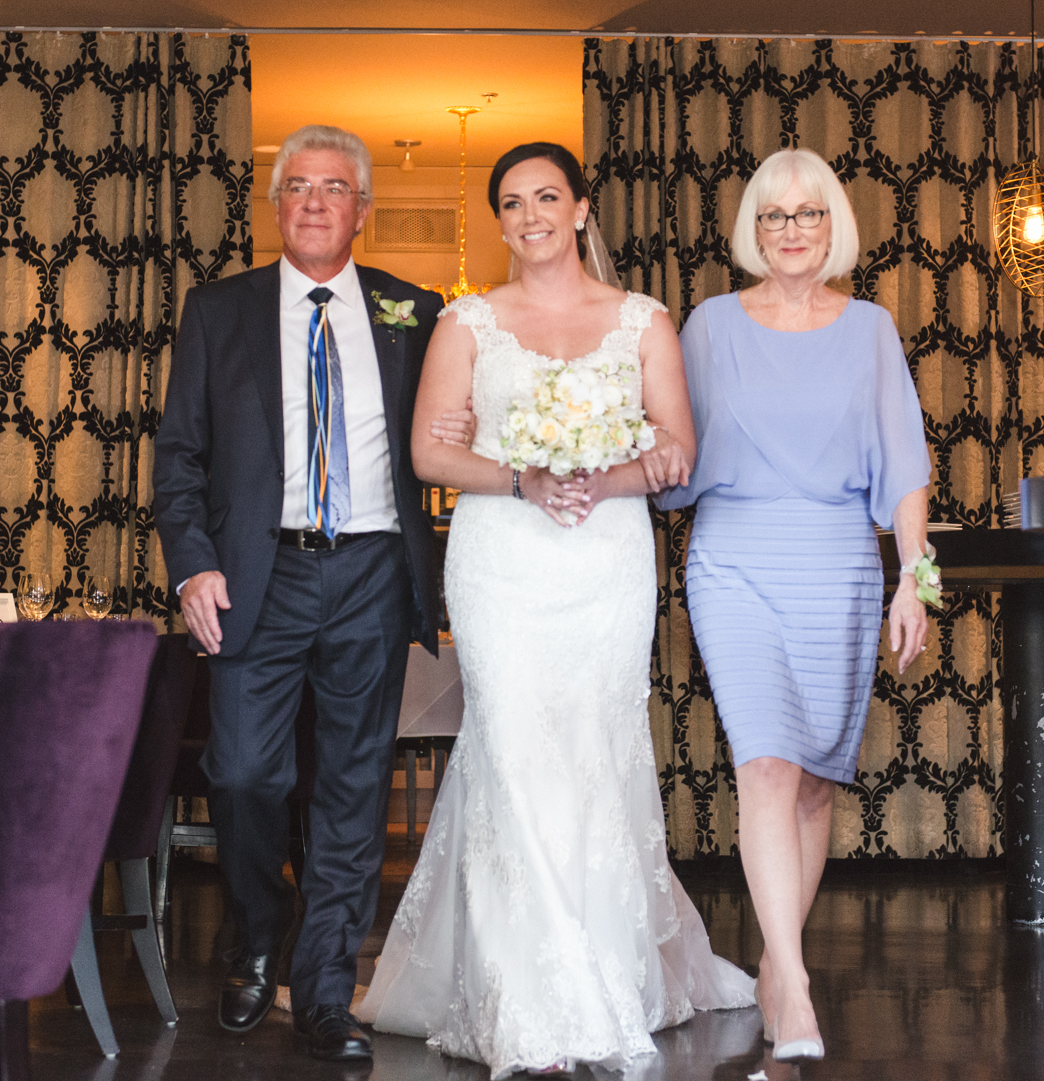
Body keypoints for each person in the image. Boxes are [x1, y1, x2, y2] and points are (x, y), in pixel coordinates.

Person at [359, 142, 755, 1078]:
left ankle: (603, 968)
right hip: (503, 564)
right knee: (513, 749)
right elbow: (426, 455)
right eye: (511, 202)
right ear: (498, 221)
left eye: (546, 196)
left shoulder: (643, 321)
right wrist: (524, 478)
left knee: (590, 751)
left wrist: (598, 478)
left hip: (605, 561)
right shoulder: (467, 322)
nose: (529, 213)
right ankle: (529, 997)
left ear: (581, 208)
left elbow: (676, 450)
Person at [153, 124, 477, 1062]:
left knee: (352, 785)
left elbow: (454, 432)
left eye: (334, 187)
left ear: (363, 208)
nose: (314, 201)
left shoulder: (416, 310)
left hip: (374, 568)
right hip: (260, 571)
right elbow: (180, 456)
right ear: (276, 203)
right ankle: (262, 929)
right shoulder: (219, 311)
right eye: (296, 186)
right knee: (244, 772)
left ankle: (328, 985)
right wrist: (192, 562)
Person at [655, 147, 933, 1063]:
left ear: (833, 226)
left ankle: (778, 963)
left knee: (815, 779)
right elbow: (673, 451)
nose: (791, 232)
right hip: (734, 556)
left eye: (808, 214)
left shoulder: (871, 331)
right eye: (774, 217)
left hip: (841, 568)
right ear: (753, 231)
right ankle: (796, 982)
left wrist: (913, 582)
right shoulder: (707, 326)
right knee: (767, 764)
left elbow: (904, 468)